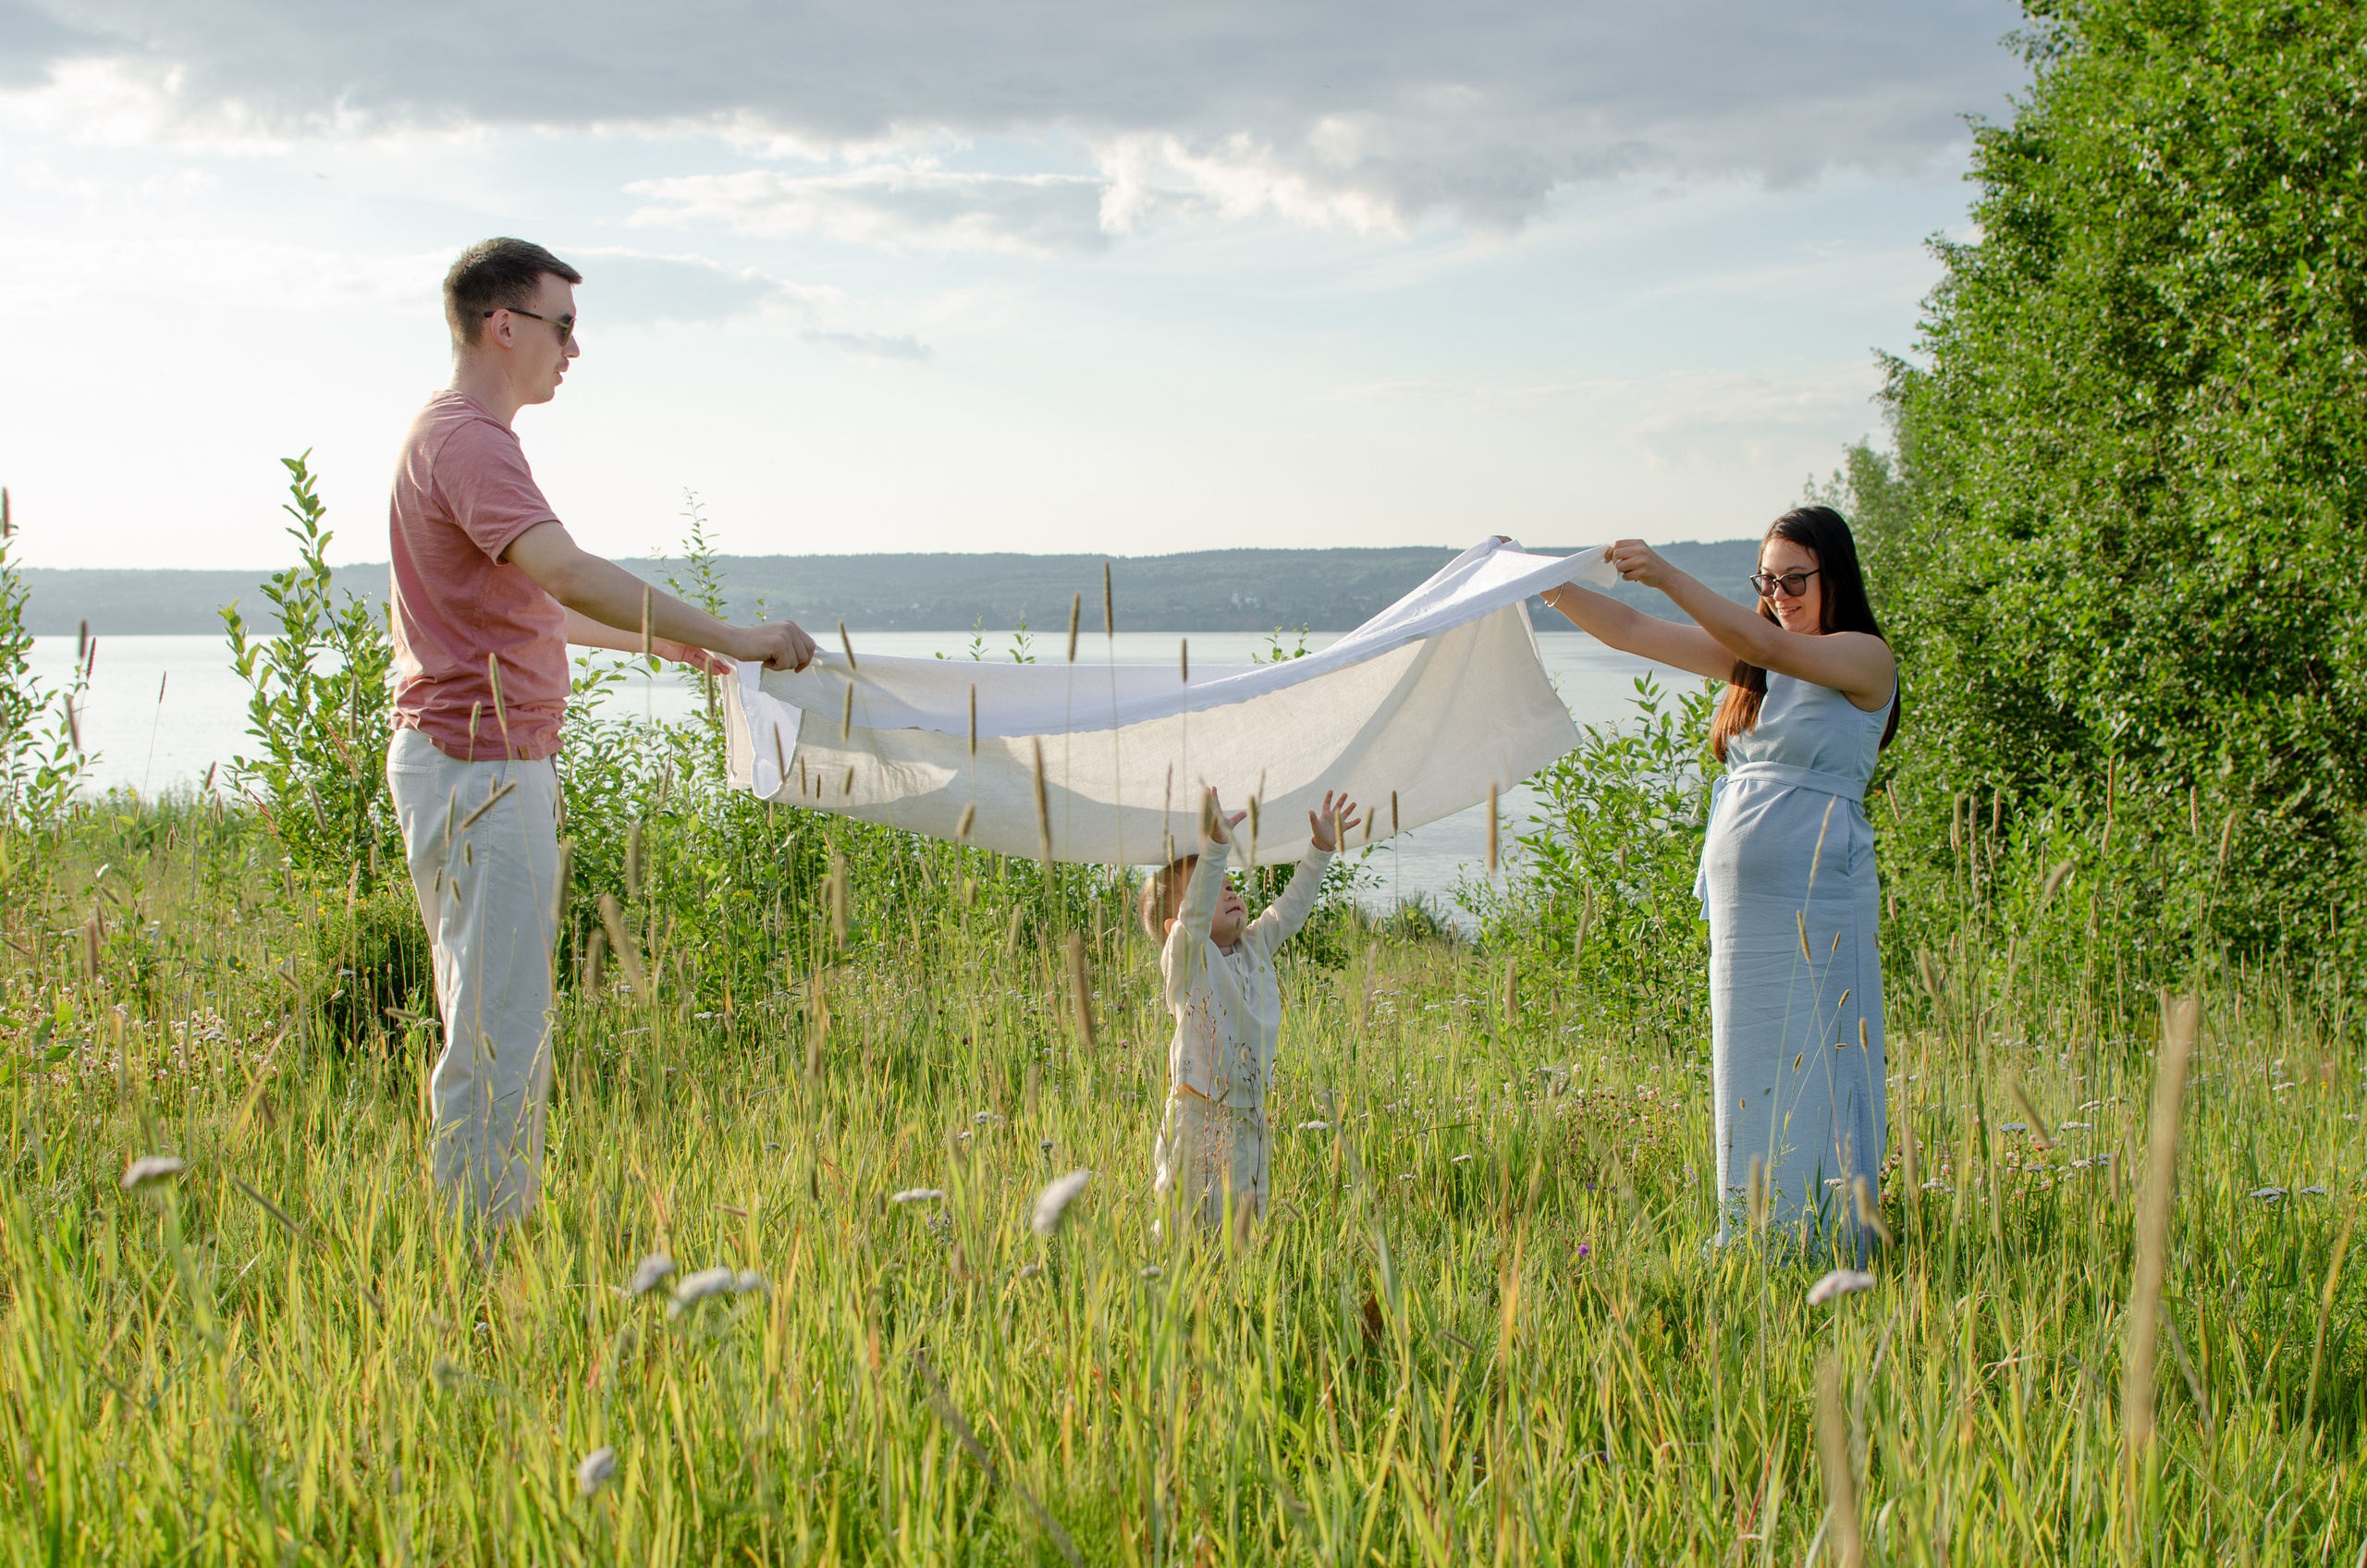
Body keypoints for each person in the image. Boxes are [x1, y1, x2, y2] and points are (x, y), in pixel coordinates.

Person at [387, 237, 818, 1229]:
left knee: (488, 1020)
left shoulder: (453, 436)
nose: (573, 351)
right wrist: (728, 629)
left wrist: (672, 648)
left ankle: (481, 1237)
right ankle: (484, 1260)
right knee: (498, 1033)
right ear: (504, 326)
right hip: (481, 767)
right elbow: (569, 570)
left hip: (470, 763)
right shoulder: (468, 438)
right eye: (562, 326)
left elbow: (533, 600)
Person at [1540, 508, 1898, 1249]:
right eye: (1767, 579)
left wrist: (1668, 573)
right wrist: (1544, 585)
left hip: (1821, 900)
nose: (1780, 593)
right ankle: (1758, 1232)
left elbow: (1761, 638)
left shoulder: (1864, 658)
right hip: (1747, 915)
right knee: (1753, 1064)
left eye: (1795, 578)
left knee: (1823, 1058)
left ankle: (1831, 1238)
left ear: (1835, 574)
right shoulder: (1756, 668)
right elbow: (1633, 634)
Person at [1144, 790, 1360, 1233]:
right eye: (1214, 884)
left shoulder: (1254, 945)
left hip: (1251, 1115)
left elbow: (1290, 911)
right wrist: (1216, 848)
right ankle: (1178, 1291)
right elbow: (1197, 917)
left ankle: (1236, 1292)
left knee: (1245, 1226)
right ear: (1174, 928)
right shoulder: (1186, 960)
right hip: (1200, 1116)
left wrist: (1319, 850)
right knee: (1187, 1224)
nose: (1228, 889)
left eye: (1230, 883)